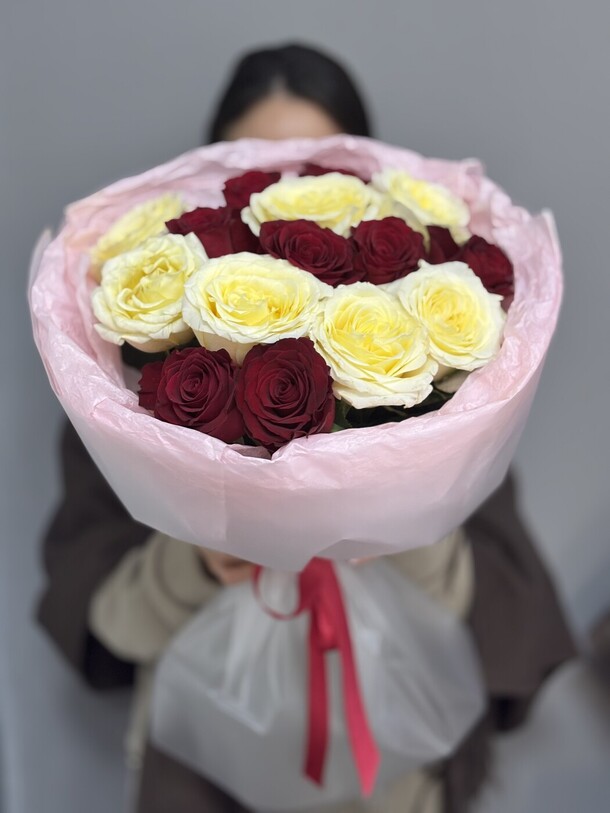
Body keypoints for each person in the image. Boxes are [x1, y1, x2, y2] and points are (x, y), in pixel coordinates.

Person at [37, 43, 575, 813]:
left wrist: (399, 508)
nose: (289, 200)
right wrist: (201, 552)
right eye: (258, 170)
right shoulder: (126, 399)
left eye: (315, 174)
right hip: (203, 777)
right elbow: (103, 622)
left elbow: (506, 610)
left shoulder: (448, 402)